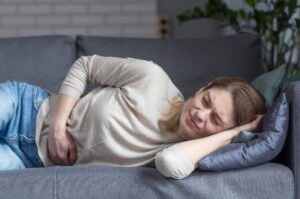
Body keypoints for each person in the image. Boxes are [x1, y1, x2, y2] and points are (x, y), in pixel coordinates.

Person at [0, 55, 266, 179]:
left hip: (30, 161)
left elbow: (171, 163)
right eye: (205, 101)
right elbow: (85, 66)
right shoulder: (152, 77)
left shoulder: (182, 151)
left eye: (215, 120)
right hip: (26, 106)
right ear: (200, 90)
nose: (200, 114)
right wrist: (58, 127)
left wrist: (231, 134)